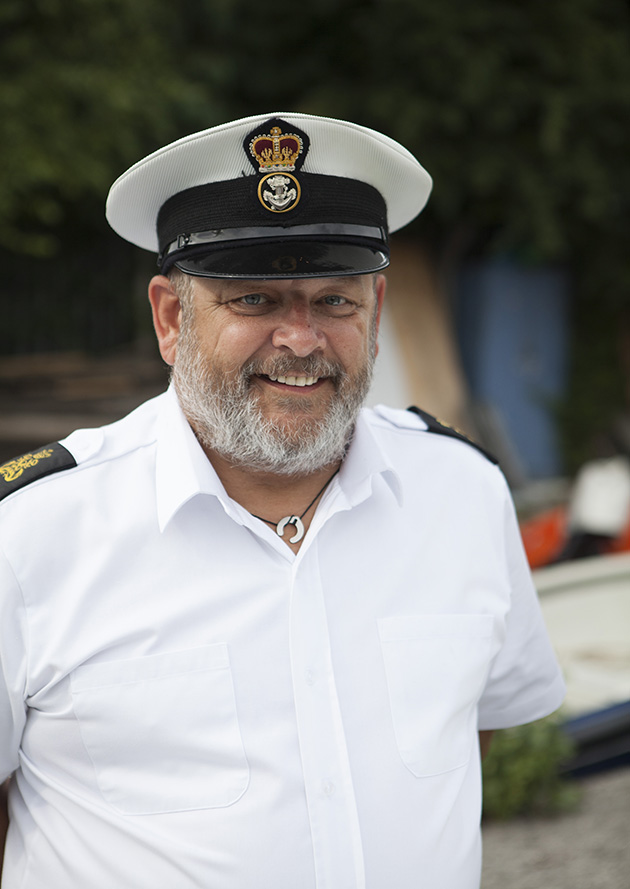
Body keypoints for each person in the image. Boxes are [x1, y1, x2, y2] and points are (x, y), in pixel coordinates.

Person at [0, 112, 565, 889]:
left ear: (376, 309)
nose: (300, 339)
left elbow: (468, 734)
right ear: (171, 318)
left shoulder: (463, 493)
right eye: (256, 298)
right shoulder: (32, 532)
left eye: (334, 300)